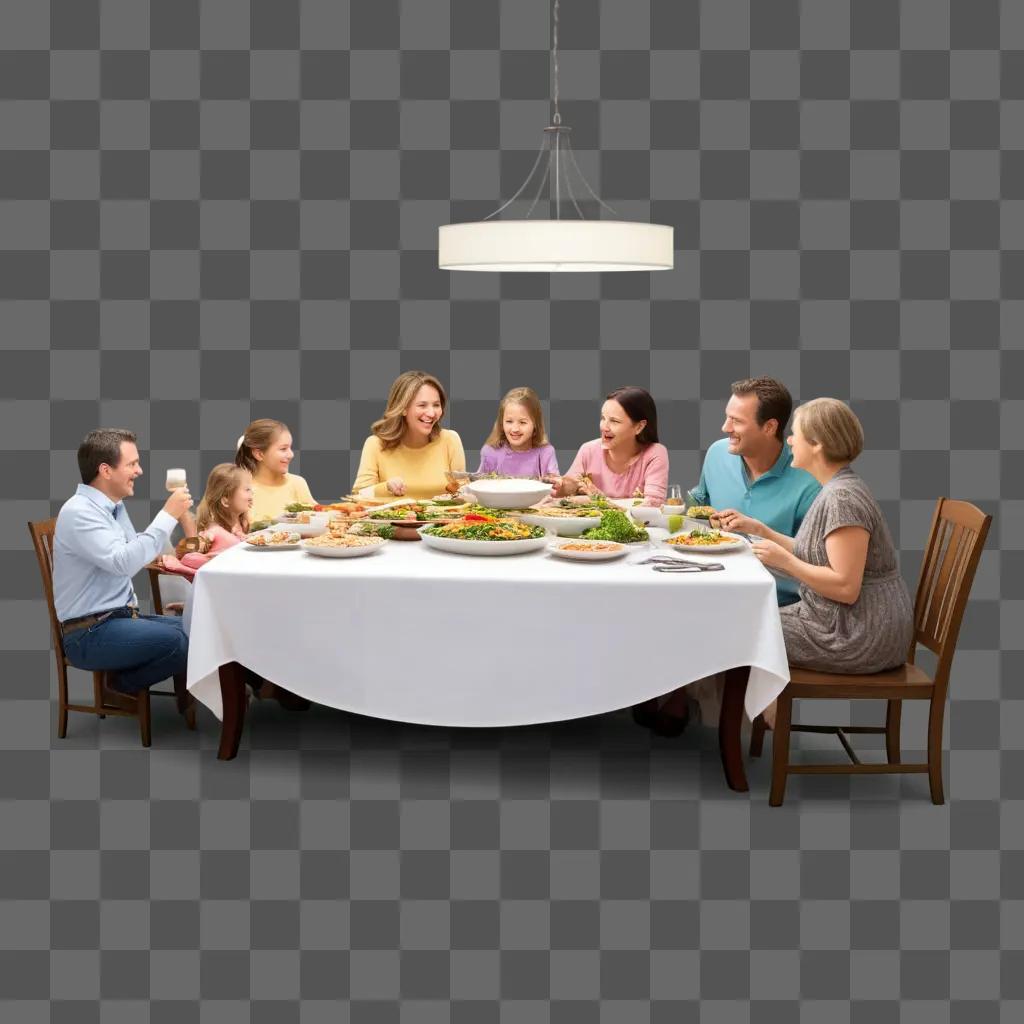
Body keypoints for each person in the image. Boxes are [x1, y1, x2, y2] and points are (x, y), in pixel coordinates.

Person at [635, 378, 819, 736]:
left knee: (700, 614)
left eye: (737, 421)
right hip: (709, 571)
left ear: (770, 427)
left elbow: (812, 559)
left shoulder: (808, 481)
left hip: (773, 595)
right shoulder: (719, 453)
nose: (725, 428)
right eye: (726, 417)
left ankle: (679, 697)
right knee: (655, 597)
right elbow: (698, 509)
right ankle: (654, 690)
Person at [749, 399, 914, 724]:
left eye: (795, 434)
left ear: (818, 444)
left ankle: (762, 722)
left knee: (747, 627)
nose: (790, 441)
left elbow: (845, 587)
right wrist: (759, 530)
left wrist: (785, 561)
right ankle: (762, 716)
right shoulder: (838, 487)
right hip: (850, 621)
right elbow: (819, 553)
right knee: (751, 622)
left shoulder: (841, 499)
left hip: (860, 632)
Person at [53, 429, 195, 698]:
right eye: (132, 464)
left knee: (202, 630)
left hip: (122, 618)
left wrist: (180, 530)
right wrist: (167, 515)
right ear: (105, 470)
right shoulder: (79, 512)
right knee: (181, 643)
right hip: (88, 634)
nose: (139, 471)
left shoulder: (114, 506)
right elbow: (124, 564)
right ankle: (120, 686)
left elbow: (134, 552)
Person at [353, 370, 466, 499]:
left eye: (436, 405)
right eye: (422, 405)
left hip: (445, 518)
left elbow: (462, 493)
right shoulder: (375, 444)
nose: (431, 413)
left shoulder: (450, 440)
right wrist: (386, 487)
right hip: (391, 519)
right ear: (403, 408)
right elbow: (358, 496)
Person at [551, 387, 668, 506]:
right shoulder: (588, 450)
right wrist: (562, 485)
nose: (604, 427)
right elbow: (567, 490)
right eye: (603, 418)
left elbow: (653, 504)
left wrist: (599, 500)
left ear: (639, 427)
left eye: (614, 421)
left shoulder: (655, 453)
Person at [159, 463, 253, 580]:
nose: (251, 495)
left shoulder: (242, 523)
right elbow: (189, 557)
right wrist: (214, 559)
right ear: (225, 500)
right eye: (247, 490)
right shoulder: (212, 532)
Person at [235, 418, 317, 523]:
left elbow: (318, 518)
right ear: (259, 454)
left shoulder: (297, 484)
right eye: (283, 449)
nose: (291, 455)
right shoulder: (238, 490)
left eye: (290, 448)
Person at [476, 386, 559, 478]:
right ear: (501, 423)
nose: (515, 429)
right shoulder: (490, 453)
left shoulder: (546, 453)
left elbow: (555, 487)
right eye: (509, 421)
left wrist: (556, 482)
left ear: (535, 424)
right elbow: (479, 485)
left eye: (523, 422)